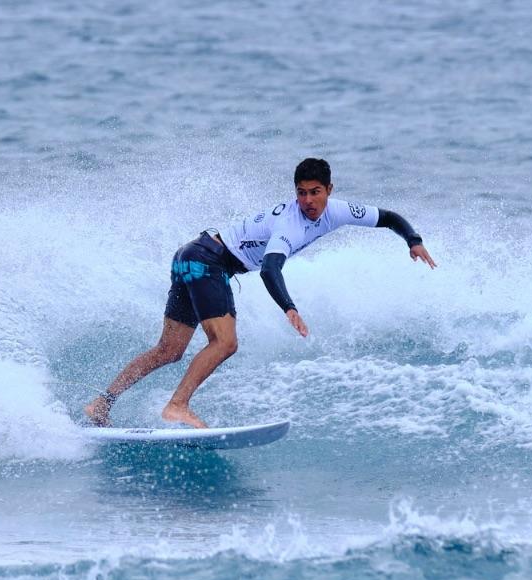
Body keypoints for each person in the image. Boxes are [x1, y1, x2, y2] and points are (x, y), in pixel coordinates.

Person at [84, 158, 437, 429]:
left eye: (315, 192)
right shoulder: (290, 224)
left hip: (190, 255)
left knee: (169, 350)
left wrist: (414, 241)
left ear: (329, 189)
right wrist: (289, 308)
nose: (308, 201)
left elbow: (389, 217)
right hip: (207, 261)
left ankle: (102, 403)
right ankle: (177, 405)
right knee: (225, 343)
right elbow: (270, 268)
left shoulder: (341, 211)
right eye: (301, 192)